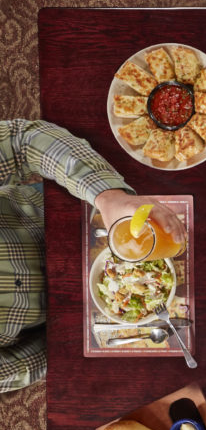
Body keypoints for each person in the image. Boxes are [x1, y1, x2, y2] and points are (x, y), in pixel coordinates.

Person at [1, 119, 184, 394]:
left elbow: (21, 140)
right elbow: (29, 364)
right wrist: (74, 333)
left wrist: (107, 196)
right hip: (74, 315)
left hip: (66, 207)